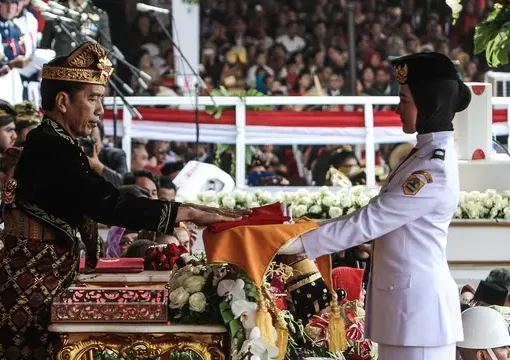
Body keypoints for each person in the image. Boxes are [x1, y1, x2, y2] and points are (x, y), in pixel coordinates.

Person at [0, 41, 248, 359]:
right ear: (62, 101)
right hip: (32, 287)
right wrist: (186, 212)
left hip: (40, 279)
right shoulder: (52, 147)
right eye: (92, 99)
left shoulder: (54, 142)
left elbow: (93, 200)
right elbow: (106, 204)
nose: (101, 111)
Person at [279, 52, 472, 360]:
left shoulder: (432, 169)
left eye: (405, 99)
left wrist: (290, 243)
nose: (397, 108)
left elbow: (370, 222)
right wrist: (301, 231)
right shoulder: (422, 155)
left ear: (430, 103)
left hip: (418, 318)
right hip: (407, 314)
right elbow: (368, 216)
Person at [40, 0, 112, 56]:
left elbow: (106, 49)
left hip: (85, 71)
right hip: (60, 69)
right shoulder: (56, 10)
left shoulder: (99, 15)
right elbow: (44, 45)